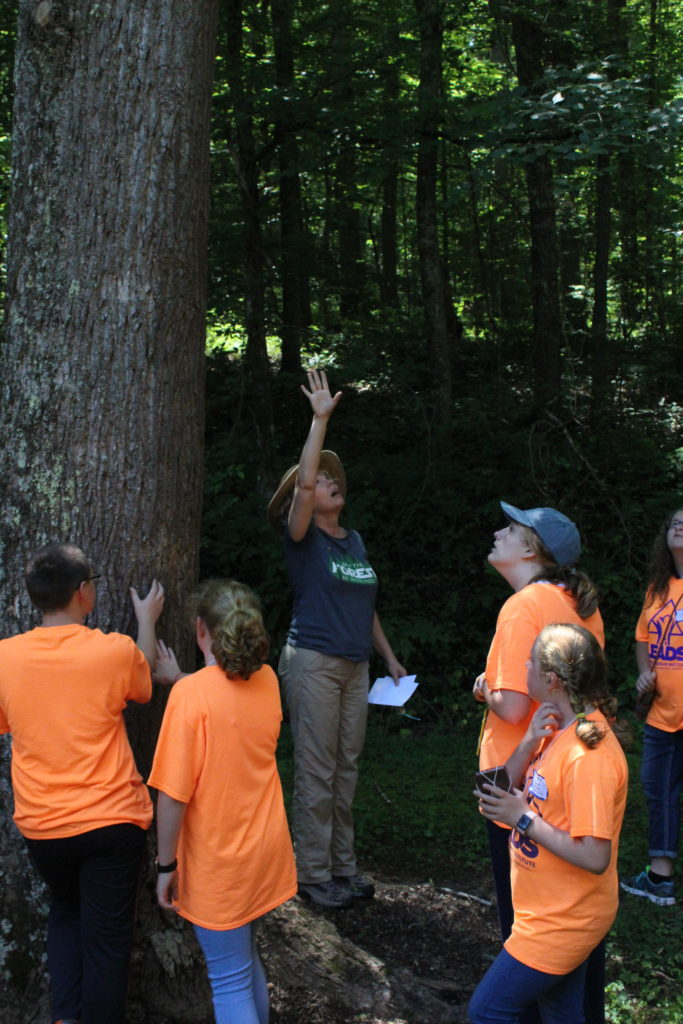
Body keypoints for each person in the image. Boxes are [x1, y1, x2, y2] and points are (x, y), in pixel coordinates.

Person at [0, 542, 165, 1024]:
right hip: (110, 822)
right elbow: (144, 679)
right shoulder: (111, 651)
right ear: (82, 592)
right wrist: (147, 618)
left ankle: (65, 1017)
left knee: (66, 913)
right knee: (107, 940)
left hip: (43, 826)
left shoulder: (5, 658)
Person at [267, 368, 407, 909]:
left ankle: (343, 867)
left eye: (333, 479)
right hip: (314, 662)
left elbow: (365, 605)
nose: (329, 482)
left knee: (346, 769)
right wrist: (319, 419)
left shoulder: (355, 541)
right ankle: (312, 873)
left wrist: (390, 659)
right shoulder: (301, 537)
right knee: (317, 770)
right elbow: (303, 484)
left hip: (355, 666)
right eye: (321, 480)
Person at [149, 579, 296, 1024]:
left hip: (220, 863)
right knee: (244, 962)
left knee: (228, 980)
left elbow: (173, 796)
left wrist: (166, 866)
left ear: (200, 631)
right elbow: (228, 702)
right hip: (263, 852)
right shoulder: (268, 680)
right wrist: (181, 681)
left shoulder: (191, 697)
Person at [469, 623, 628, 1024]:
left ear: (551, 679)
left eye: (531, 660)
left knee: (486, 1012)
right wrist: (526, 744)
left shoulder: (588, 757)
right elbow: (494, 796)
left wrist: (521, 818)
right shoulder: (557, 727)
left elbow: (595, 855)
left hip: (564, 922)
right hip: (544, 913)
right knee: (561, 1015)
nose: (524, 664)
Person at [621, 504, 683, 906]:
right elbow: (644, 640)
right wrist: (644, 672)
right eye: (674, 523)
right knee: (657, 790)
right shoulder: (657, 588)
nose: (678, 527)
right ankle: (660, 879)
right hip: (661, 712)